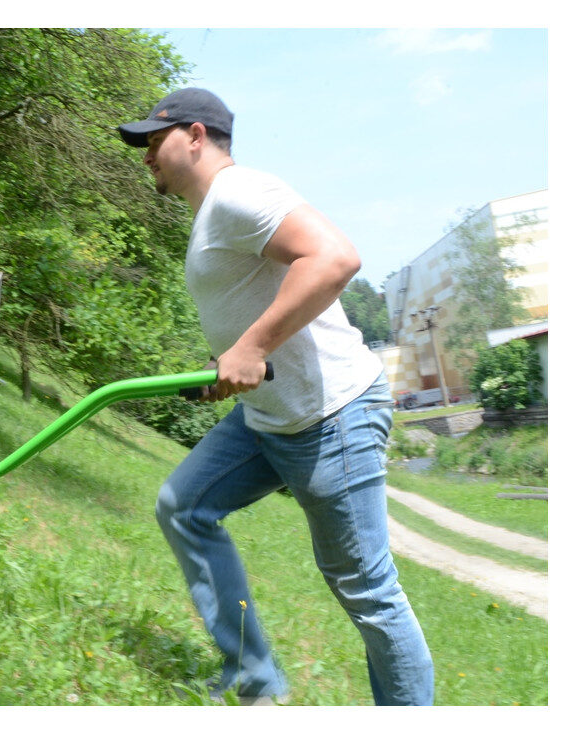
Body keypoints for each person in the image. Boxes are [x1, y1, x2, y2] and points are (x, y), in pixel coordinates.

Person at [117, 88, 434, 706]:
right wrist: (228, 362)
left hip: (332, 413)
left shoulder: (240, 192)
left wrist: (252, 346)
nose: (147, 155)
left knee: (367, 589)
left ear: (197, 136)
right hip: (269, 416)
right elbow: (257, 311)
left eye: (155, 140)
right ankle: (254, 677)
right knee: (184, 506)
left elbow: (335, 257)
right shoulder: (213, 212)